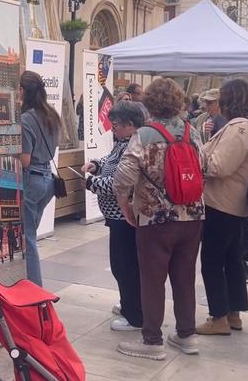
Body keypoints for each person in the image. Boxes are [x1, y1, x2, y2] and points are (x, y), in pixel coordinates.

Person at [113, 78, 205, 361]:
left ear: (149, 103)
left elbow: (123, 177)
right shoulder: (193, 132)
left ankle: (152, 339)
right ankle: (187, 335)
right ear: (179, 102)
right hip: (192, 216)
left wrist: (125, 205)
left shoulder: (145, 134)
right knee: (185, 276)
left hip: (155, 218)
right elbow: (205, 167)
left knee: (152, 279)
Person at [197, 79, 248, 336]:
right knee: (232, 260)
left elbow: (219, 166)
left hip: (221, 204)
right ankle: (233, 312)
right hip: (234, 204)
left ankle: (219, 317)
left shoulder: (239, 128)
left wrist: (196, 155)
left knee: (212, 261)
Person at [82, 101, 146, 332]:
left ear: (130, 125)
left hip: (125, 215)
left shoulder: (135, 146)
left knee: (125, 265)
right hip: (116, 215)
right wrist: (97, 165)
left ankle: (135, 315)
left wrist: (92, 183)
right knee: (121, 265)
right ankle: (128, 304)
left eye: (116, 125)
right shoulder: (124, 142)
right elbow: (111, 161)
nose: (113, 129)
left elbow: (121, 182)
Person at [19, 71, 62, 287]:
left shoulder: (26, 119)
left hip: (32, 179)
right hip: (47, 179)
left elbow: (25, 160)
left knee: (28, 237)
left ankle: (35, 286)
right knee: (31, 233)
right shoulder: (52, 114)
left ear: (23, 91)